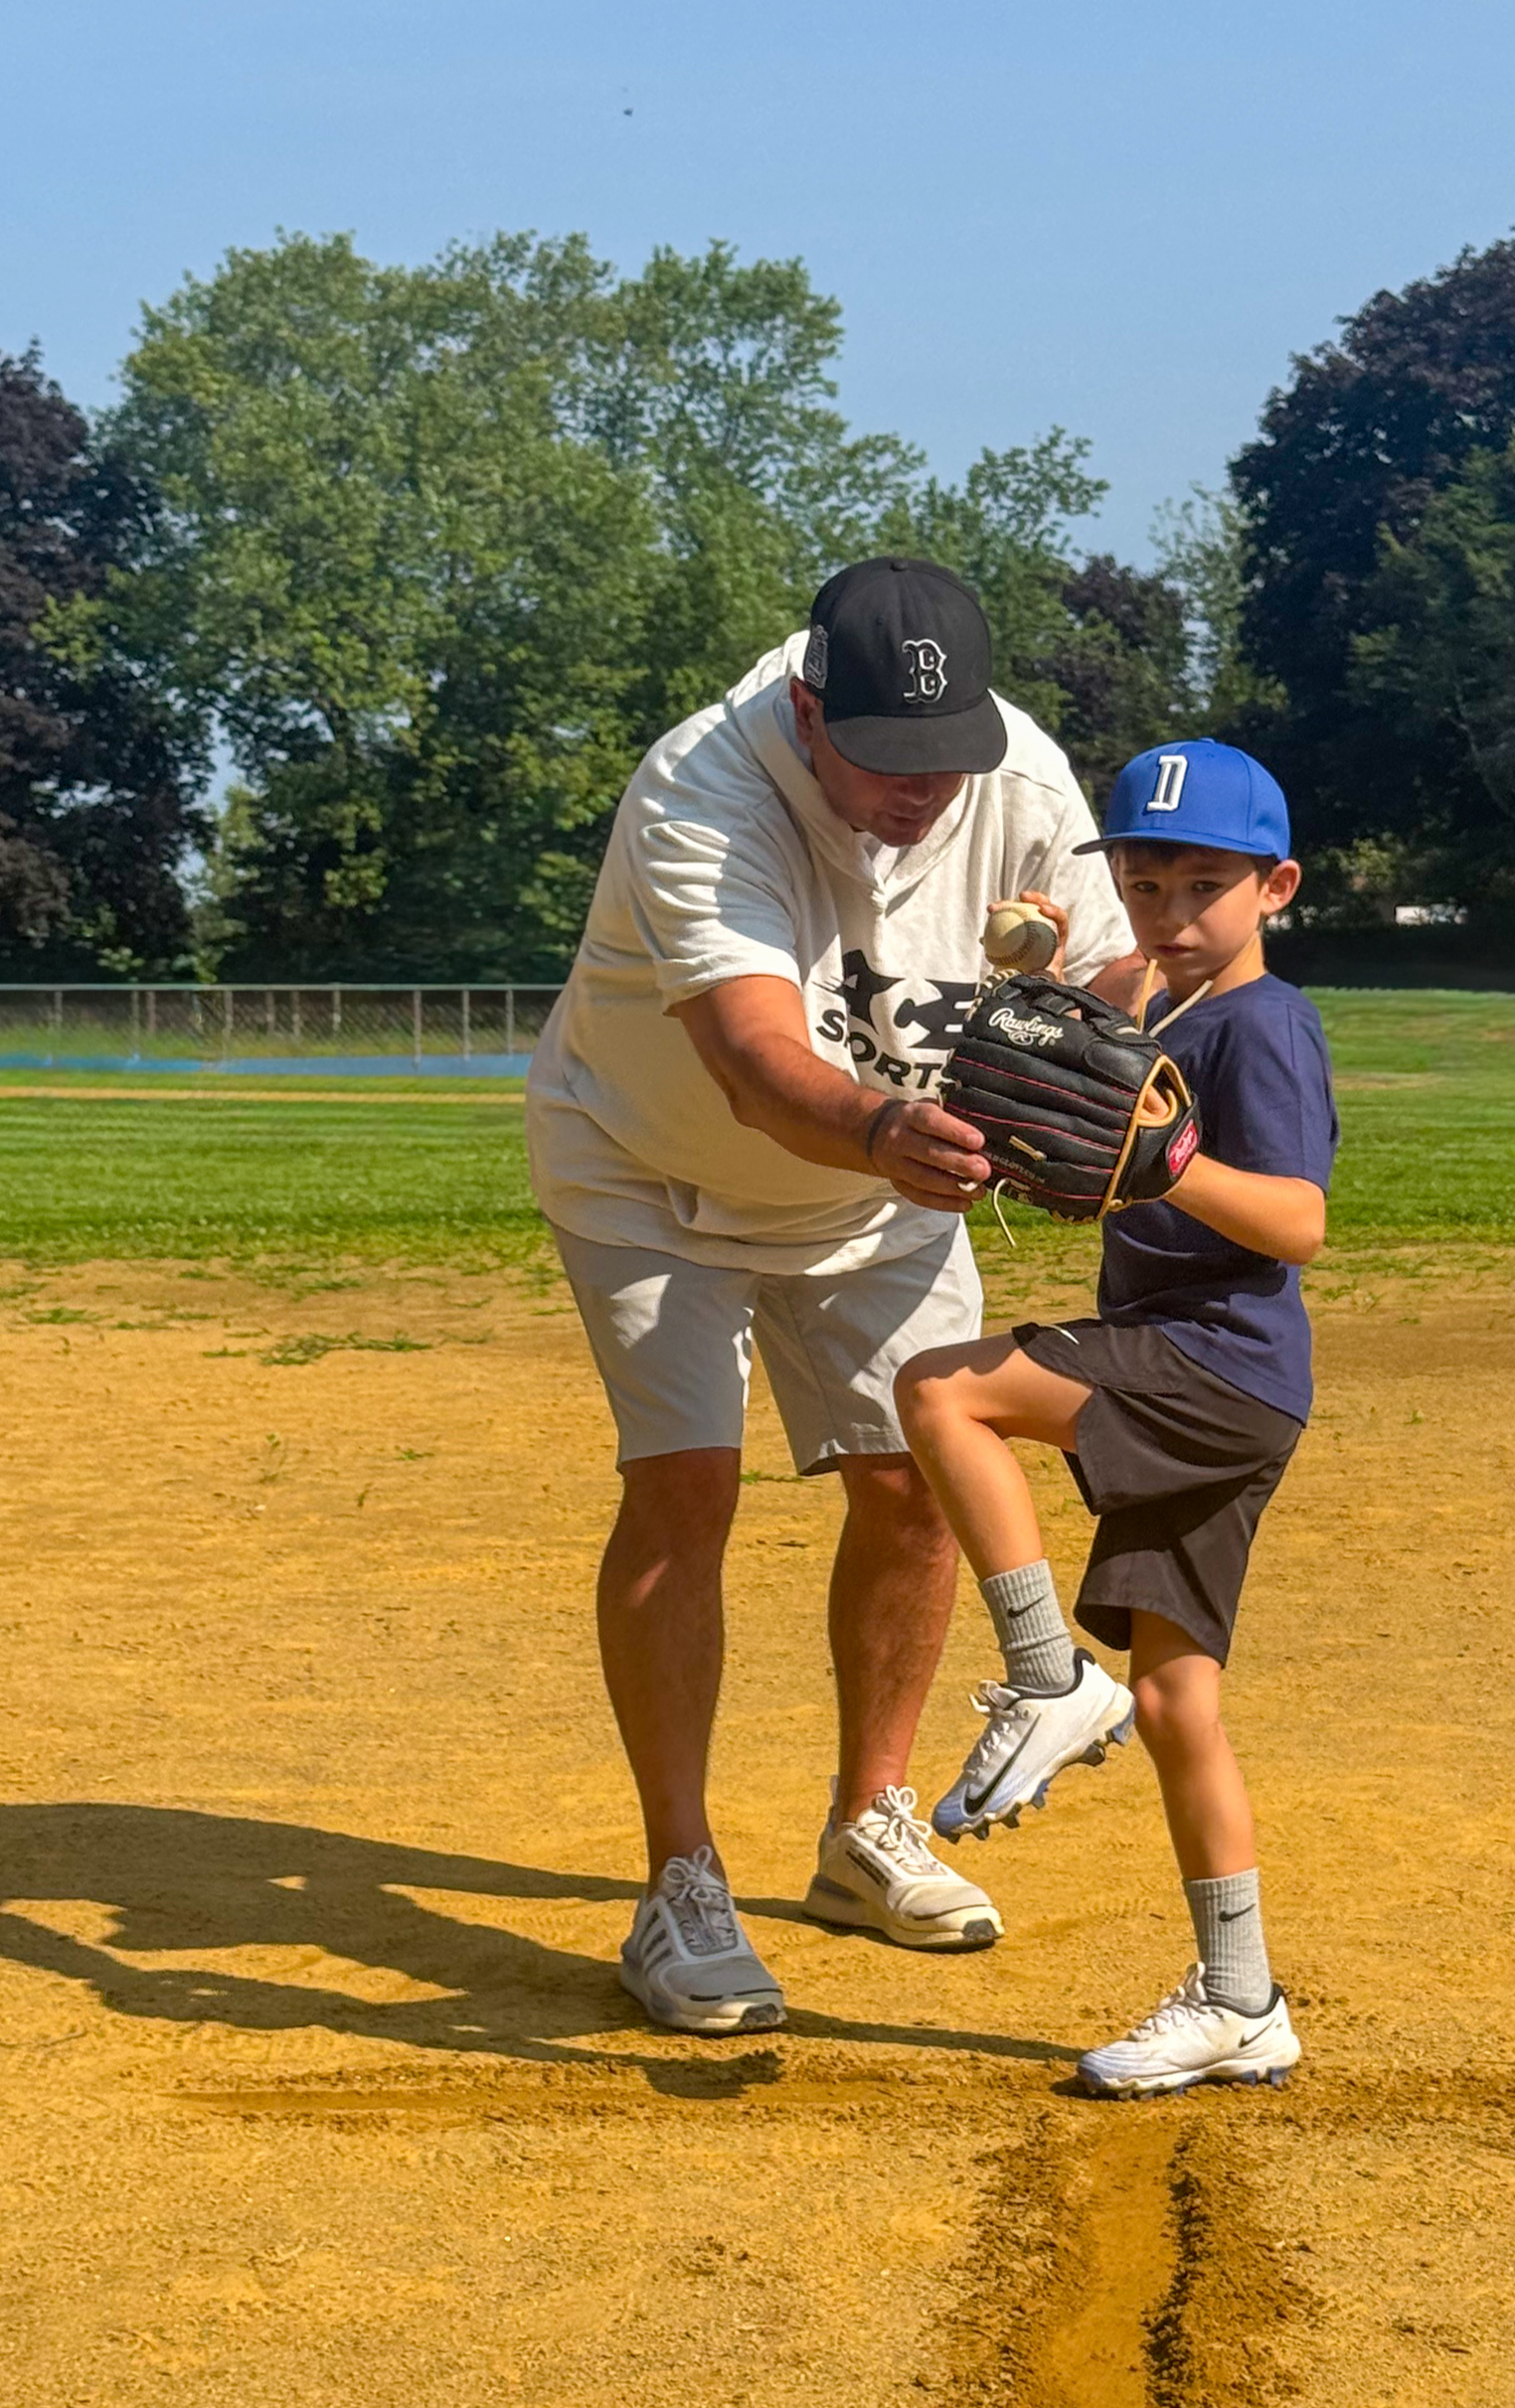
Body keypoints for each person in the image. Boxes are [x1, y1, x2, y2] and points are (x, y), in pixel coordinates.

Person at [526, 558, 1144, 2035]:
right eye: (882, 759)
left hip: (885, 1185)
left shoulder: (1015, 773)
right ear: (808, 708)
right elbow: (750, 1062)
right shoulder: (700, 784)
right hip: (655, 1171)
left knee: (919, 1481)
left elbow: (1116, 971)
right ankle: (680, 1880)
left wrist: (1080, 1088)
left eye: (949, 761)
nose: (923, 792)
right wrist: (884, 1131)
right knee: (686, 1491)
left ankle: (869, 1825)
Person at [894, 738, 1337, 2096]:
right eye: (1143, 884)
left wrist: (1178, 1160)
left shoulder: (1261, 1027)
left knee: (941, 1388)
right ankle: (1240, 1996)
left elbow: (1298, 1222)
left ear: (1276, 887)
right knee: (1175, 1698)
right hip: (1212, 1376)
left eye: (1205, 885)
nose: (1169, 913)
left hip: (1212, 1360)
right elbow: (1080, 1024)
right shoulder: (1162, 996)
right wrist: (1037, 981)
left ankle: (1042, 1678)